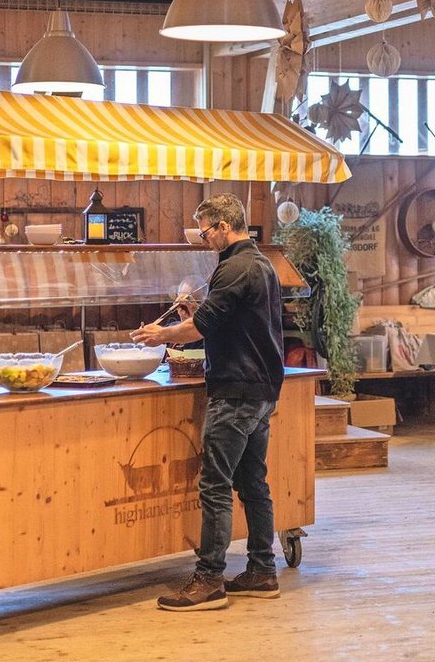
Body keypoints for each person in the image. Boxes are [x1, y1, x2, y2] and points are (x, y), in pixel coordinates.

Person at [131, 194, 284, 611]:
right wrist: (196, 313)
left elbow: (201, 328)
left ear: (222, 225)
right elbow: (229, 319)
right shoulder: (261, 263)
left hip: (235, 390)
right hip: (262, 390)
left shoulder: (234, 267)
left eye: (205, 231)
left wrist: (158, 334)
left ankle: (209, 580)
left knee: (216, 485)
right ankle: (262, 570)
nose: (204, 239)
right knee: (253, 483)